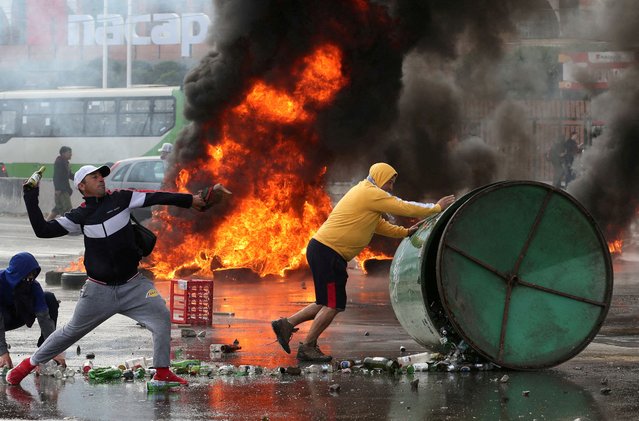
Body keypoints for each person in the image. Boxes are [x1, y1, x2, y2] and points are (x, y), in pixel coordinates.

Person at [8, 164, 213, 386]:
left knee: (161, 317)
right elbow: (43, 230)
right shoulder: (80, 216)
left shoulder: (122, 199)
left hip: (134, 286)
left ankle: (162, 371)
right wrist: (30, 195)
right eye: (94, 177)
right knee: (69, 333)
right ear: (82, 186)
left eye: (101, 175)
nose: (101, 179)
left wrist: (190, 200)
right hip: (98, 291)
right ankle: (26, 366)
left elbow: (156, 196)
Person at [271, 162, 455, 362]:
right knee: (333, 305)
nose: (391, 187)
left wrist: (405, 232)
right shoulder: (370, 193)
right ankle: (307, 347)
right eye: (390, 182)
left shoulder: (365, 194)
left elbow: (379, 225)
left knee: (325, 302)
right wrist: (435, 208)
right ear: (381, 178)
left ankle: (286, 324)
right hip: (328, 253)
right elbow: (402, 206)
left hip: (325, 251)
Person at [0, 252, 63, 369]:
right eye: (27, 276)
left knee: (49, 298)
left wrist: (52, 351)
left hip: (19, 315)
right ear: (16, 274)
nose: (30, 279)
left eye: (33, 275)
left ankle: (43, 347)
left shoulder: (33, 286)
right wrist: (3, 352)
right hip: (3, 317)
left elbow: (44, 318)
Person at [47, 146, 74, 220]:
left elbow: (70, 175)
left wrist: (79, 178)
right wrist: (58, 189)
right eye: (69, 153)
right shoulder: (59, 162)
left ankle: (46, 223)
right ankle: (66, 225)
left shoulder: (65, 162)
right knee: (67, 209)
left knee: (58, 208)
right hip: (62, 190)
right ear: (63, 153)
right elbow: (56, 176)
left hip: (64, 189)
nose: (71, 154)